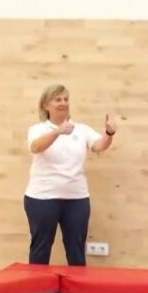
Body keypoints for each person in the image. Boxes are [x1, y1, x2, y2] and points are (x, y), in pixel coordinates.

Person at [24, 84, 117, 266]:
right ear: (46, 105)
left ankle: (77, 284)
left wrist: (109, 133)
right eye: (58, 99)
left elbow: (99, 145)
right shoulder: (37, 129)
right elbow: (36, 147)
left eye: (66, 99)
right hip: (42, 198)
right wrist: (57, 132)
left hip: (76, 199)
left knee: (76, 250)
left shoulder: (81, 130)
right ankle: (36, 283)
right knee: (40, 249)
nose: (63, 103)